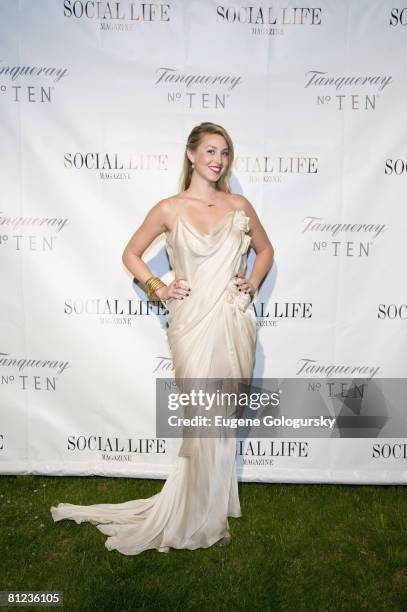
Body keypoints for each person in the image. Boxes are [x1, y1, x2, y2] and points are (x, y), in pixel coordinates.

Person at [50, 121, 274, 555]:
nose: (217, 160)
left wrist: (253, 282)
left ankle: (211, 513)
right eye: (210, 150)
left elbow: (265, 249)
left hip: (232, 321)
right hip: (190, 321)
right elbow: (130, 254)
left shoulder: (238, 204)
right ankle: (197, 514)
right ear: (191, 154)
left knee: (220, 417)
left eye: (224, 153)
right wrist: (160, 287)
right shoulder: (169, 208)